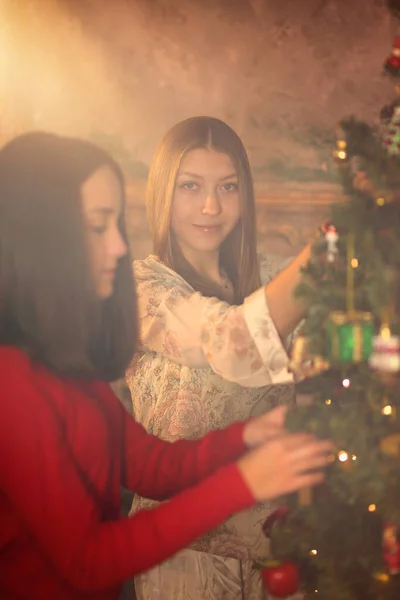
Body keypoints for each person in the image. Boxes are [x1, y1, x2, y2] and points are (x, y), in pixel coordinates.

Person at [0, 131, 333, 600]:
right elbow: (87, 561)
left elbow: (150, 466)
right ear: (42, 238)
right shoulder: (13, 383)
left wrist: (247, 437)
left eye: (229, 186)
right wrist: (244, 481)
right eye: (99, 226)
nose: (118, 245)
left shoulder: (68, 367)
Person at [126, 116, 318, 599]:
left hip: (283, 558)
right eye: (190, 186)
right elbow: (233, 342)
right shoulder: (141, 288)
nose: (211, 206)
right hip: (183, 562)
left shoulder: (275, 277)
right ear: (162, 192)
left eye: (227, 187)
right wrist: (324, 259)